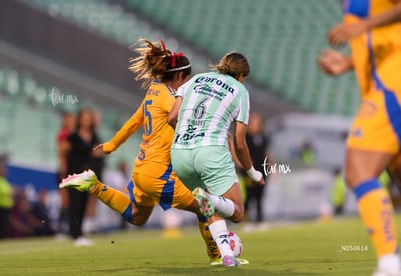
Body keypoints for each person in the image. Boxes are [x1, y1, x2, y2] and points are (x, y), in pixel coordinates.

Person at [59, 39, 239, 265]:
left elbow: (134, 121)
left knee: (136, 216)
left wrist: (111, 145)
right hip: (160, 175)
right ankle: (218, 257)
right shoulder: (172, 99)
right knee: (206, 207)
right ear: (180, 77)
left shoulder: (154, 91)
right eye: (189, 78)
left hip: (142, 171)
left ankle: (93, 185)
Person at [318, 1, 401, 274]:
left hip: (393, 84)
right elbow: (385, 39)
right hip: (387, 80)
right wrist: (349, 62)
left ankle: (390, 263)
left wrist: (363, 26)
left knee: (359, 170)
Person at [168, 51, 264, 266]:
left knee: (211, 206)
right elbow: (239, 142)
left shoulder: (196, 79)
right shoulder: (240, 91)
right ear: (242, 76)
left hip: (180, 152)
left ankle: (226, 256)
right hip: (210, 151)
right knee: (237, 212)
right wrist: (252, 172)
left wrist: (190, 133)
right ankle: (209, 198)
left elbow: (172, 117)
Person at [60, 108, 104, 246]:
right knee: (75, 203)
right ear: (79, 120)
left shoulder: (94, 136)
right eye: (84, 118)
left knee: (84, 204)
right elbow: (63, 151)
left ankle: (79, 232)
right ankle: (75, 233)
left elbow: (99, 151)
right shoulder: (73, 136)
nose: (87, 120)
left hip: (87, 176)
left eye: (88, 118)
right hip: (74, 174)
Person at [241, 113, 270, 224]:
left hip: (262, 170)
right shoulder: (245, 137)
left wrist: (271, 165)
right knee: (248, 195)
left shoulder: (263, 137)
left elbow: (266, 152)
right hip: (249, 171)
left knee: (260, 196)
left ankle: (259, 219)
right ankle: (244, 219)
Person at [56, 111, 75, 237]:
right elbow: (61, 153)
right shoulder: (64, 134)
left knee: (71, 200)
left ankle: (69, 227)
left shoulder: (72, 134)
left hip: (72, 170)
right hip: (65, 171)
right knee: (65, 201)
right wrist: (63, 170)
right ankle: (62, 228)